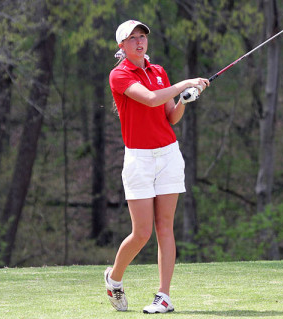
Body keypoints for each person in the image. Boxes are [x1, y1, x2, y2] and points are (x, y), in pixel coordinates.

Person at [104, 19, 209, 314]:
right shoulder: (119, 75)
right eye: (132, 38)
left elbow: (169, 118)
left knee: (165, 227)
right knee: (142, 233)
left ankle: (164, 296)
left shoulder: (159, 71)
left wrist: (185, 100)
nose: (140, 42)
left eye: (143, 37)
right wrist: (184, 83)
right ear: (121, 46)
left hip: (168, 155)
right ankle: (114, 279)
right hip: (138, 158)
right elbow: (149, 100)